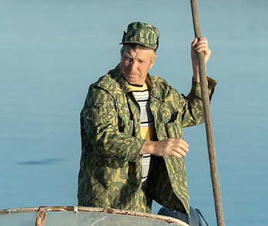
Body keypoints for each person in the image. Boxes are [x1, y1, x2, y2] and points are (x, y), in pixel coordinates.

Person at [78, 21, 215, 215]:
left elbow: (194, 114)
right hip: (107, 201)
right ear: (121, 55)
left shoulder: (161, 90)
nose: (133, 67)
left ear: (152, 63)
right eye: (128, 58)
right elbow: (103, 138)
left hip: (142, 196)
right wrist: (155, 147)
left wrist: (198, 68)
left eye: (141, 61)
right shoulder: (103, 91)